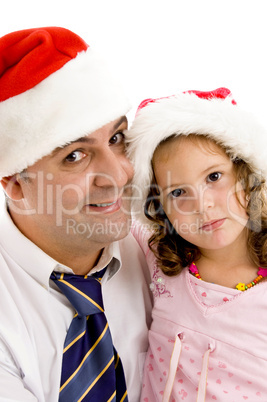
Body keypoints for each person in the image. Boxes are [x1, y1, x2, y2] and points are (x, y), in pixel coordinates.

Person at [0, 26, 152, 402]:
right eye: (75, 155)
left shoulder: (165, 255)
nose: (119, 175)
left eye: (116, 138)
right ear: (15, 183)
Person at [126, 88, 267, 401]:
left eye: (214, 177)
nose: (202, 206)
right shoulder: (160, 258)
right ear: (159, 207)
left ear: (246, 174)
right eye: (178, 193)